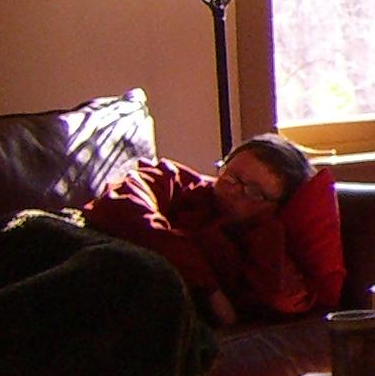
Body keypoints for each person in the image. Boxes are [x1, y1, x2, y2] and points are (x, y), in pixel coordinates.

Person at [80, 133, 343, 326]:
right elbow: (120, 206)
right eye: (232, 176)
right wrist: (208, 287)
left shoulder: (265, 237)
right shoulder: (175, 182)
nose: (235, 191)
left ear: (276, 207)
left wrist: (266, 232)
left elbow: (283, 298)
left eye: (254, 192)